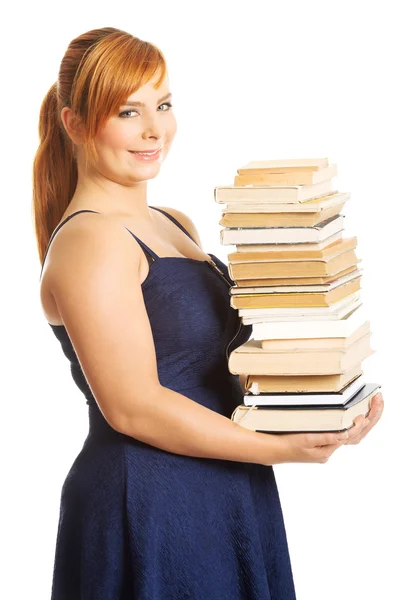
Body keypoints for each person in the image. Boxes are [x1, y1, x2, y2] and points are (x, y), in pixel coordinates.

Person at [33, 26, 384, 600]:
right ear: (75, 123)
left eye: (163, 105)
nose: (155, 130)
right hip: (149, 500)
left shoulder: (176, 224)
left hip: (226, 486)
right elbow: (134, 408)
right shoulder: (89, 243)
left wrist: (323, 407)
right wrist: (281, 450)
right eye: (128, 111)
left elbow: (221, 371)